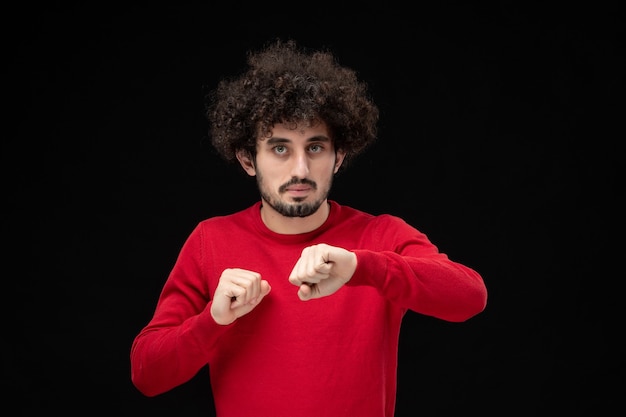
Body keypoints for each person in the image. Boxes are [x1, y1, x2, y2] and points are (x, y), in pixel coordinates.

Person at [130, 39, 488, 417]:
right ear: (248, 159)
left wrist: (358, 267)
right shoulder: (210, 241)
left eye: (315, 148)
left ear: (339, 156)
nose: (300, 170)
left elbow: (469, 296)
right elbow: (146, 374)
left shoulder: (381, 236)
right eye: (280, 148)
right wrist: (213, 320)